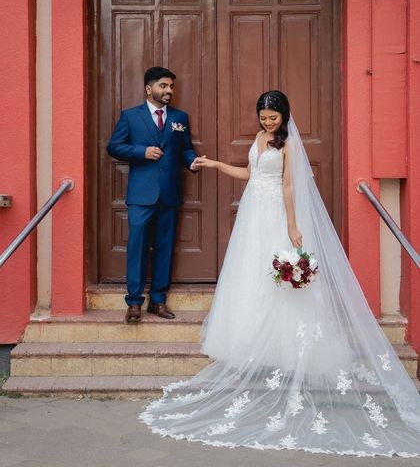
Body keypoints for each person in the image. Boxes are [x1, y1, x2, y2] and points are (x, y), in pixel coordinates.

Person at [139, 90, 420, 457]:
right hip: (253, 213)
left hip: (275, 215)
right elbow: (250, 173)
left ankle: (287, 347)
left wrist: (292, 225)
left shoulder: (289, 144)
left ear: (284, 115)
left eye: (273, 117)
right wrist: (215, 165)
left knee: (280, 279)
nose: (267, 122)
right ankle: (252, 341)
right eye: (263, 116)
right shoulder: (258, 139)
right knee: (251, 277)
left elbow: (288, 184)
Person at [107, 67, 200, 323]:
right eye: (163, 86)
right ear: (149, 89)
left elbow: (186, 150)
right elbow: (113, 146)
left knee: (164, 248)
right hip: (140, 195)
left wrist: (192, 162)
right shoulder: (130, 117)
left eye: (171, 86)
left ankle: (158, 300)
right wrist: (141, 152)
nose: (169, 91)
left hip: (169, 194)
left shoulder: (180, 117)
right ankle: (134, 302)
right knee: (137, 248)